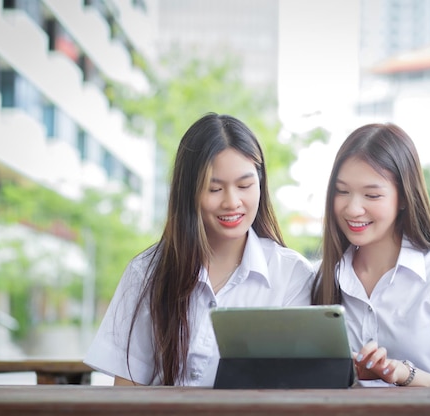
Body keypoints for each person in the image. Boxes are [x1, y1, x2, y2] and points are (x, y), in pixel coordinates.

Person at [84, 112, 314, 387]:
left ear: (261, 185)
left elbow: (295, 386)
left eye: (244, 186)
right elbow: (126, 390)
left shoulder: (291, 275)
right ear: (188, 191)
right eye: (214, 189)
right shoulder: (146, 272)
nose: (232, 202)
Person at [312, 122, 430, 387]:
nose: (353, 208)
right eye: (342, 191)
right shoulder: (322, 276)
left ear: (404, 198)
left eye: (371, 195)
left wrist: (404, 374)